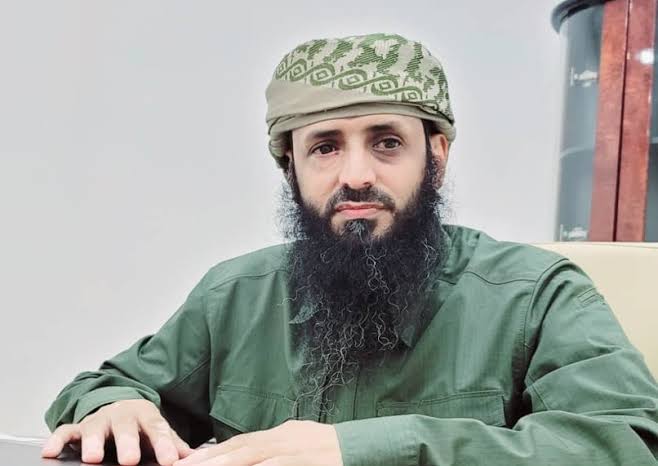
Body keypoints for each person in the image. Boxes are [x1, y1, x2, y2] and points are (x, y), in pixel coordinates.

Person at [42, 33, 658, 466]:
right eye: (325, 147)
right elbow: (112, 384)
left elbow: (629, 443)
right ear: (291, 168)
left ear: (436, 157)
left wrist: (360, 450)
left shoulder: (537, 296)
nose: (356, 176)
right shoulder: (235, 296)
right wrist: (113, 406)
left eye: (387, 142)